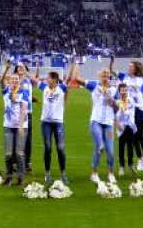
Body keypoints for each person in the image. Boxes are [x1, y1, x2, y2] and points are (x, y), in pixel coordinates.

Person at [69, 55, 117, 184]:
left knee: (111, 151)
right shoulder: (94, 86)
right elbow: (75, 79)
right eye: (104, 73)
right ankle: (94, 173)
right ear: (99, 75)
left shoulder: (113, 90)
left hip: (108, 124)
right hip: (95, 121)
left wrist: (112, 101)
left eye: (108, 73)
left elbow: (118, 108)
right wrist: (78, 64)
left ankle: (111, 173)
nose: (106, 74)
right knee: (99, 146)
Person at [37, 69, 69, 185]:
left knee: (60, 148)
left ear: (54, 79)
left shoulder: (61, 88)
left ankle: (63, 174)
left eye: (48, 78)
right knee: (48, 148)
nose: (46, 79)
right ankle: (47, 174)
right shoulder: (44, 88)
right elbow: (33, 79)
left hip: (58, 122)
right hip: (45, 123)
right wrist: (24, 71)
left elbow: (69, 79)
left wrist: (74, 63)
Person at [118, 60, 143, 168]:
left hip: (140, 109)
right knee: (133, 135)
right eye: (128, 66)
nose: (128, 68)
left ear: (136, 69)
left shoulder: (140, 80)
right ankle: (141, 159)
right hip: (130, 110)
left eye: (131, 66)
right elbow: (113, 71)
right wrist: (112, 60)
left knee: (139, 135)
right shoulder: (124, 77)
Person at [1, 73, 29, 186]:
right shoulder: (5, 91)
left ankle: (21, 177)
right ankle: (9, 176)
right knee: (8, 154)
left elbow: (24, 109)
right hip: (8, 126)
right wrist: (6, 69)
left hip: (21, 126)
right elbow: (1, 81)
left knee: (19, 153)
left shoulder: (23, 93)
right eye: (12, 79)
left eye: (17, 79)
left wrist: (21, 125)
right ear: (9, 81)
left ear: (19, 81)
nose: (15, 80)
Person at [114, 82, 137, 175]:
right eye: (122, 90)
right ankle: (122, 166)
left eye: (125, 90)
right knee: (121, 147)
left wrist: (123, 109)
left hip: (130, 126)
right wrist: (117, 124)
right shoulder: (116, 102)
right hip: (121, 127)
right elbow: (114, 115)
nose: (124, 92)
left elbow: (130, 113)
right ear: (119, 91)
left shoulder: (131, 100)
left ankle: (131, 164)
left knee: (130, 146)